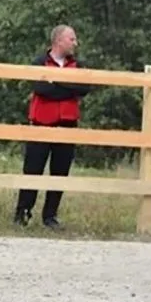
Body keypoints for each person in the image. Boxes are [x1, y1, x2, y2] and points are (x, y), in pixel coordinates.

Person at [13, 25, 92, 228]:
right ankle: (23, 212)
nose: (76, 43)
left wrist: (56, 82)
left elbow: (84, 88)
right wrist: (68, 86)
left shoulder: (78, 64)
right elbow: (41, 88)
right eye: (72, 39)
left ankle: (50, 216)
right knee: (32, 169)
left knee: (60, 172)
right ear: (58, 41)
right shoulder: (40, 62)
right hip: (41, 122)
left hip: (67, 123)